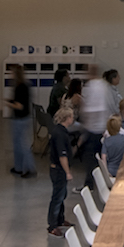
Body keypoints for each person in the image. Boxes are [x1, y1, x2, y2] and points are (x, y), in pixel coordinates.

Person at [45, 98, 86, 233]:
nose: (73, 119)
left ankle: (60, 219)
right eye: (72, 117)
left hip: (57, 170)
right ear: (67, 118)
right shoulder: (61, 135)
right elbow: (62, 156)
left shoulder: (59, 131)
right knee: (57, 197)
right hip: (58, 170)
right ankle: (52, 225)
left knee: (62, 195)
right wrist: (68, 172)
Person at [5, 64, 35, 178]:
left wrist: (9, 104)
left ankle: (29, 168)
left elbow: (19, 105)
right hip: (22, 118)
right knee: (17, 144)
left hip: (20, 119)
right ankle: (19, 167)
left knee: (22, 145)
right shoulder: (24, 85)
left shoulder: (20, 87)